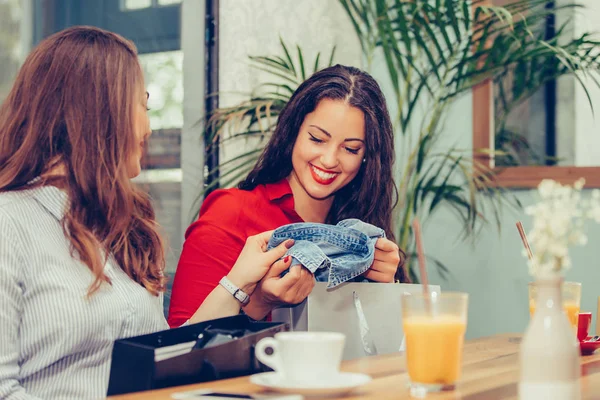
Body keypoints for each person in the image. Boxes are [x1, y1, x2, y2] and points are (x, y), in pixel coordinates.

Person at [0, 26, 292, 400]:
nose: (149, 127)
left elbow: (160, 362)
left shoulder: (128, 228)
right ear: (98, 112)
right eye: (143, 105)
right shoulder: (9, 225)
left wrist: (239, 280)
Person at [168, 65, 407, 328]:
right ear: (292, 132)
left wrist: (386, 285)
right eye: (317, 139)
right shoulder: (233, 212)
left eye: (350, 149)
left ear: (366, 158)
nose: (329, 160)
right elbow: (180, 344)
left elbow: (381, 346)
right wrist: (261, 302)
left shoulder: (362, 229)